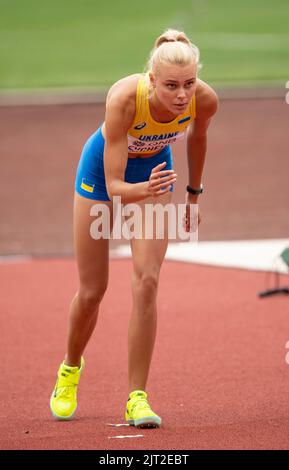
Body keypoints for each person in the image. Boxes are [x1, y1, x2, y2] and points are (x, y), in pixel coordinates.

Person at [50, 28, 218, 428]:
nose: (182, 95)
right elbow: (114, 185)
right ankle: (70, 368)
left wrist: (193, 197)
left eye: (189, 84)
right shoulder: (125, 98)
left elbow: (197, 138)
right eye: (172, 86)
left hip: (155, 175)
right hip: (103, 177)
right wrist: (141, 190)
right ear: (151, 79)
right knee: (93, 291)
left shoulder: (204, 100)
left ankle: (136, 398)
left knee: (147, 282)